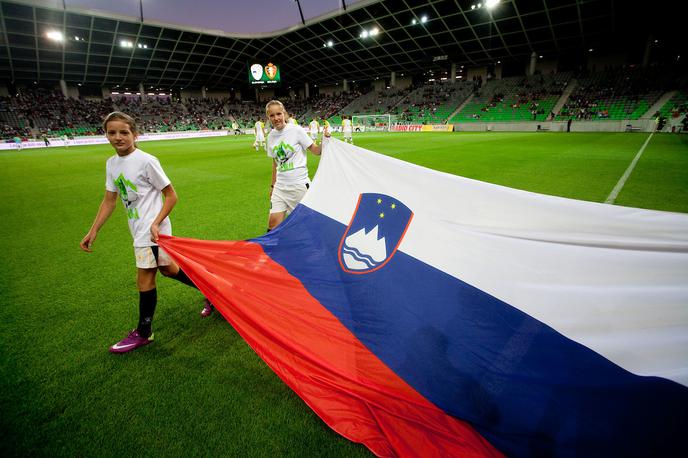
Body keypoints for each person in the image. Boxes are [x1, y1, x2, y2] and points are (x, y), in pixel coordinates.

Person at [79, 111, 213, 353]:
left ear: (134, 134)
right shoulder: (111, 164)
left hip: (151, 230)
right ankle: (213, 292)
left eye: (124, 132)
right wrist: (93, 230)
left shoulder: (146, 160)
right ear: (106, 135)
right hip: (139, 227)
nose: (118, 137)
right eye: (112, 132)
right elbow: (110, 200)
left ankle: (144, 332)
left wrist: (156, 223)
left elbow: (171, 195)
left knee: (144, 279)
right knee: (170, 270)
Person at [265, 100, 330, 231]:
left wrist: (325, 140)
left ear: (284, 113)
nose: (276, 118)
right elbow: (275, 163)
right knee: (273, 223)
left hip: (299, 186)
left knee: (309, 224)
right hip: (280, 187)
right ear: (268, 117)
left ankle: (319, 248)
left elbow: (316, 151)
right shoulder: (270, 137)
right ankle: (275, 251)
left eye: (278, 114)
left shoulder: (296, 130)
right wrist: (273, 186)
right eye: (272, 115)